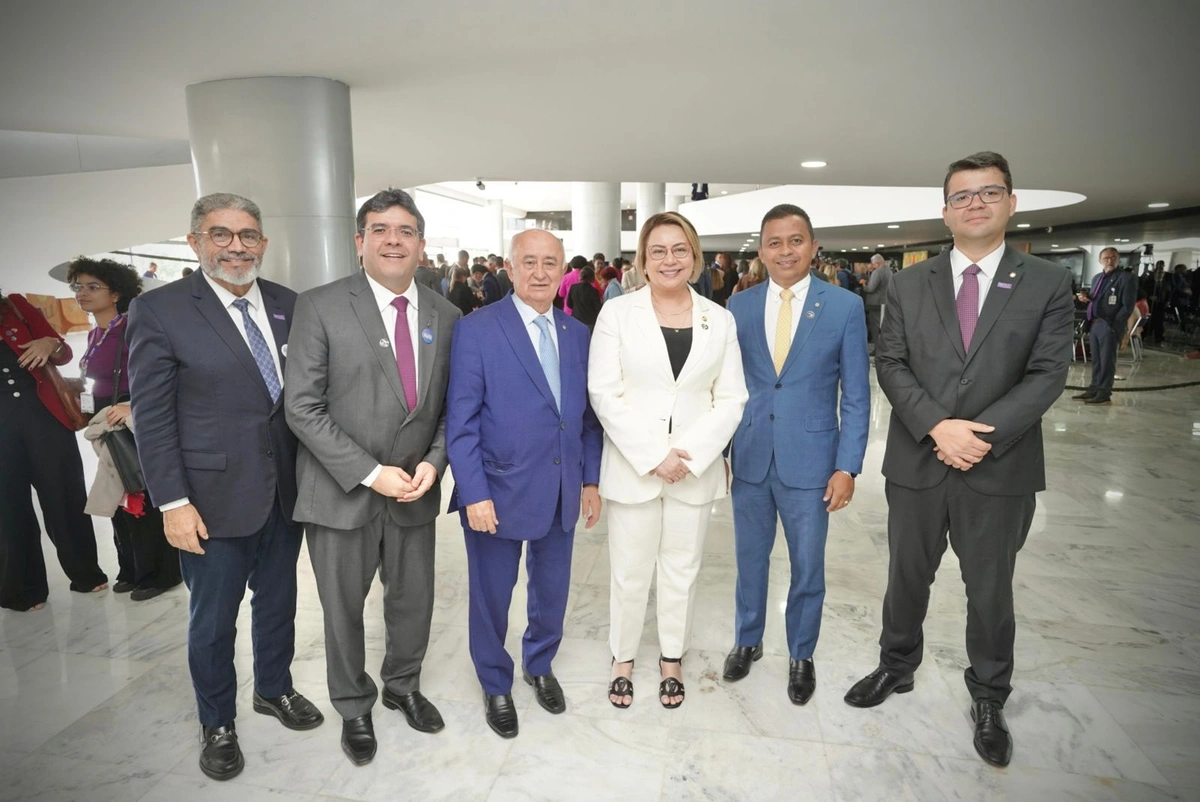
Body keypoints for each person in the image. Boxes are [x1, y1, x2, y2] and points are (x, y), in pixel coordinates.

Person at [843, 152, 1073, 769]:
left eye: (988, 192)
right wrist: (937, 426)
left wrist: (979, 436)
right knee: (905, 576)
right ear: (945, 211)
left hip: (999, 467)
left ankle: (990, 695)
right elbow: (890, 361)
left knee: (990, 588)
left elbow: (1050, 372)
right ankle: (897, 666)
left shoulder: (1047, 283)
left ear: (1011, 203)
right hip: (918, 459)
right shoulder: (909, 281)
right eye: (962, 196)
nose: (975, 203)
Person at [128, 192, 324, 782]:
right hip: (209, 501)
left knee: (280, 601)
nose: (235, 247)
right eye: (220, 235)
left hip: (285, 493)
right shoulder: (161, 310)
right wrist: (173, 502)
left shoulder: (291, 304)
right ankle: (217, 722)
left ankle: (274, 688)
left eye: (246, 235)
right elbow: (153, 415)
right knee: (212, 621)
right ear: (195, 243)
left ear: (263, 242)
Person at [285, 188, 460, 766]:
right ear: (359, 241)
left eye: (405, 230)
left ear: (422, 244)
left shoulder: (447, 315)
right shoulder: (321, 305)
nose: (393, 240)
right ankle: (354, 705)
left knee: (413, 602)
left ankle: (403, 686)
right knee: (342, 607)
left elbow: (451, 409)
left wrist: (434, 462)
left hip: (416, 490)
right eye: (380, 229)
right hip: (341, 492)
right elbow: (301, 407)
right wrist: (369, 473)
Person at [446, 229, 603, 739]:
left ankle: (540, 664)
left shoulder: (578, 333)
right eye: (529, 262)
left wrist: (590, 481)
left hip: (562, 487)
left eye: (550, 263)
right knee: (492, 595)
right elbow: (461, 421)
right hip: (496, 490)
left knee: (553, 589)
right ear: (509, 270)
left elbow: (586, 421)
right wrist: (473, 493)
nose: (540, 272)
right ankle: (495, 682)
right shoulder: (477, 330)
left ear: (563, 271)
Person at [589, 211, 748, 710]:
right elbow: (603, 391)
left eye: (679, 249)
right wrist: (656, 455)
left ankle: (672, 659)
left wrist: (691, 456)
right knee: (630, 571)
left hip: (693, 472)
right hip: (636, 467)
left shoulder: (719, 319)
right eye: (657, 250)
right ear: (642, 260)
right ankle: (622, 659)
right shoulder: (617, 314)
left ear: (695, 256)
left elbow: (732, 398)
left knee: (682, 569)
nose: (669, 259)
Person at [722, 204, 869, 707]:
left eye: (796, 240)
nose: (785, 251)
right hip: (750, 458)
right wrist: (722, 450)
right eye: (775, 242)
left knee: (808, 566)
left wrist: (848, 465)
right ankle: (748, 639)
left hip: (812, 461)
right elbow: (724, 388)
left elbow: (856, 395)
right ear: (761, 251)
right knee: (749, 560)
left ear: (812, 246)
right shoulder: (737, 308)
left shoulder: (845, 307)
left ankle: (801, 654)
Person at [68, 257, 180, 600]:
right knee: (119, 494)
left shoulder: (133, 326)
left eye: (92, 287)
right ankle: (131, 567)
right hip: (106, 419)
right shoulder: (96, 332)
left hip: (133, 415)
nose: (81, 293)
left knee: (139, 494)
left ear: (116, 292)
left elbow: (164, 371)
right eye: (78, 287)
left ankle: (160, 574)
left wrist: (133, 405)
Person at [0, 290, 108, 611]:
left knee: (65, 495)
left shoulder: (16, 306)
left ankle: (86, 574)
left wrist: (50, 344)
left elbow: (62, 354)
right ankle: (22, 589)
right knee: (8, 508)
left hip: (44, 416)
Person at [1073, 247, 1135, 405]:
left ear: (1118, 259)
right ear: (1100, 260)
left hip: (1109, 323)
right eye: (1106, 258)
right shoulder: (1097, 278)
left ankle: (1104, 392)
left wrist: (1114, 324)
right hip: (1094, 322)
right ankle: (1094, 388)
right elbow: (1097, 297)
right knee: (1097, 360)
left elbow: (1127, 305)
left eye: (1113, 257)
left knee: (1107, 360)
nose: (1110, 260)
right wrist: (1086, 298)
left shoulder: (1125, 277)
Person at [863, 254, 892, 353]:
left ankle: (877, 348)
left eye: (873, 264)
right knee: (883, 326)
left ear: (878, 263)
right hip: (885, 302)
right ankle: (883, 348)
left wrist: (863, 284)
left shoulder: (877, 272)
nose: (872, 266)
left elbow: (870, 289)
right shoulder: (889, 271)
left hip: (875, 303)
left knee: (875, 327)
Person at [567, 265, 602, 329]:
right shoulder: (594, 291)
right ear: (592, 277)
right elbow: (598, 308)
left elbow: (569, 304)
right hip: (589, 322)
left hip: (576, 319)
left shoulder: (573, 288)